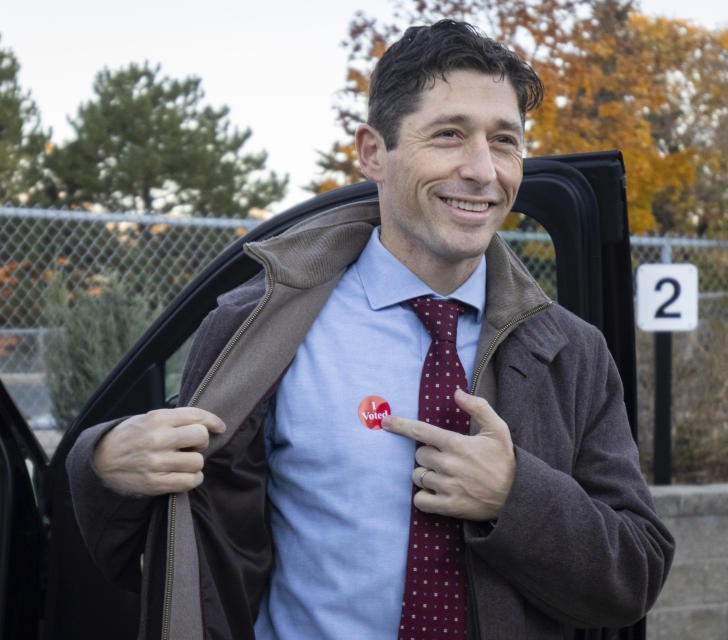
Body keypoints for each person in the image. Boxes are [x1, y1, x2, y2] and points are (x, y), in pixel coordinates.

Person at [67, 19, 674, 640]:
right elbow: (182, 541)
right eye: (448, 135)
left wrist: (515, 497)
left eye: (504, 141)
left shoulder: (572, 352)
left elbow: (636, 573)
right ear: (372, 152)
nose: (483, 170)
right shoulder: (263, 324)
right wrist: (106, 464)